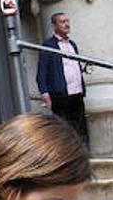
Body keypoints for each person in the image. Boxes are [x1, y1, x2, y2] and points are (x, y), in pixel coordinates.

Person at [36, 12, 89, 146]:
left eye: (67, 21)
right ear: (54, 25)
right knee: (64, 129)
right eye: (62, 22)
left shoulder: (72, 44)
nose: (67, 24)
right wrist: (44, 93)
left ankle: (84, 155)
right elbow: (41, 72)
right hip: (60, 95)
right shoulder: (48, 45)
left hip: (76, 93)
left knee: (81, 127)